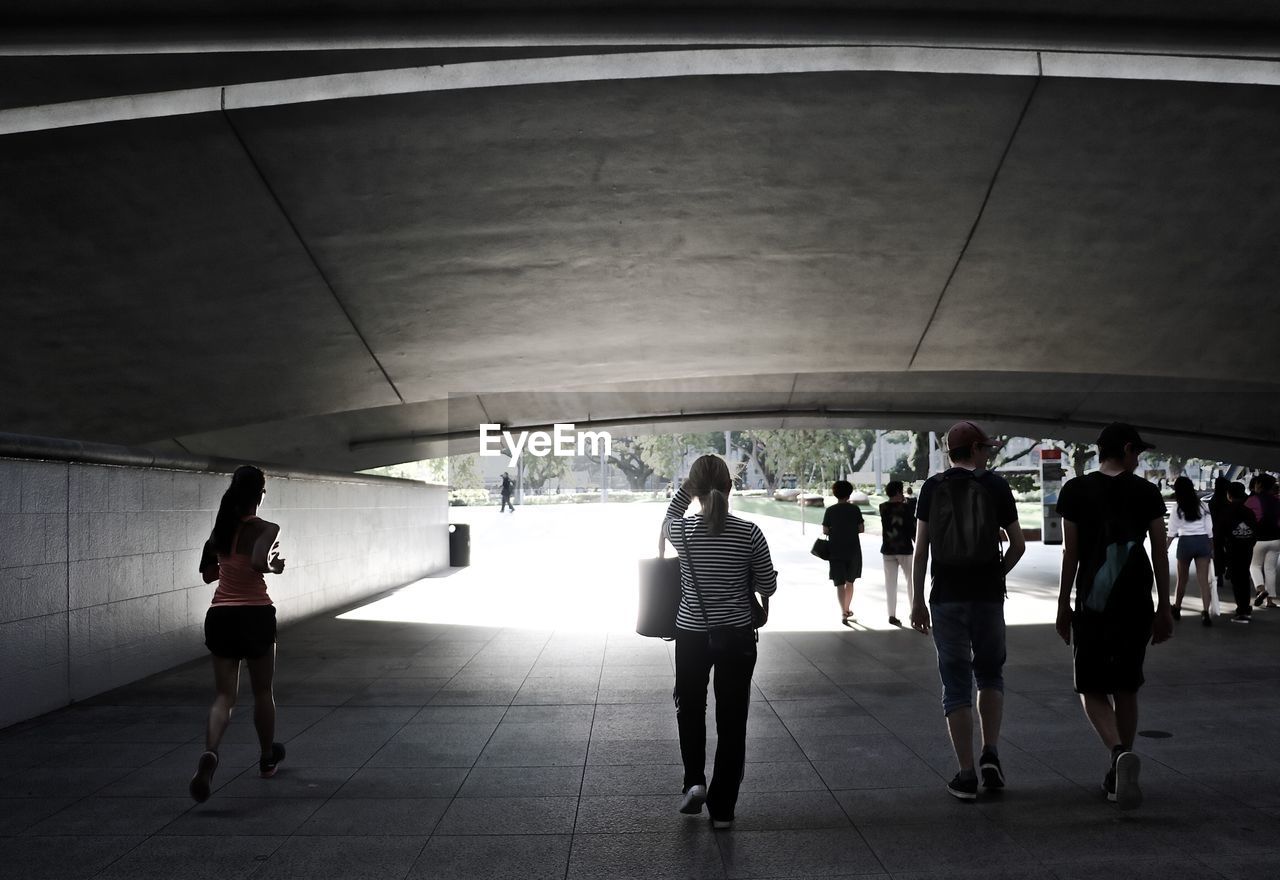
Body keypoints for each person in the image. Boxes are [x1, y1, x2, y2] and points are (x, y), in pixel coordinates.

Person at [1055, 423, 1174, 811]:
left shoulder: (1074, 490)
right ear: (1125, 449)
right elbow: (1159, 553)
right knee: (1126, 686)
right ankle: (1119, 768)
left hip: (1093, 602)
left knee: (1091, 688)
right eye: (1137, 452)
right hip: (1136, 602)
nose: (1138, 460)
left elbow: (1070, 554)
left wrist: (1062, 604)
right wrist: (1163, 607)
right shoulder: (1147, 492)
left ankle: (1118, 754)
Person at [910, 421, 1025, 801]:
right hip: (988, 598)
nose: (989, 453)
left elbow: (921, 547)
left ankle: (965, 774)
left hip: (946, 597)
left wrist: (916, 601)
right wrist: (996, 574)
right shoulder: (995, 485)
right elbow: (1019, 545)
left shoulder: (932, 487)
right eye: (986, 448)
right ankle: (990, 751)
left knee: (955, 683)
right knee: (990, 674)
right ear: (974, 449)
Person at [661, 455, 777, 829]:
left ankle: (694, 780)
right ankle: (723, 808)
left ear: (693, 490)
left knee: (690, 707)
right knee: (732, 718)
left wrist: (686, 491)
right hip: (738, 637)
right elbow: (767, 586)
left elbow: (667, 519)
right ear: (730, 486)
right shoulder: (750, 532)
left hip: (692, 634)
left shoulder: (682, 531)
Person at [189, 466, 288, 803]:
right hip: (255, 614)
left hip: (220, 616)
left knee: (224, 697)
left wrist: (228, 565)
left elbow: (207, 575)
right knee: (262, 691)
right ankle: (266, 758)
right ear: (259, 495)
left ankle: (211, 754)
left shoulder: (218, 531)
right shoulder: (266, 527)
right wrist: (273, 566)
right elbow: (260, 562)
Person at [1167, 476, 1215, 626]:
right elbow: (1209, 530)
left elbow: (1172, 531)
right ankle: (1206, 612)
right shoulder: (1203, 506)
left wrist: (1165, 548)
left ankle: (1177, 608)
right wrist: (1211, 547)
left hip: (1186, 542)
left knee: (1182, 579)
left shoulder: (1178, 507)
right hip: (1202, 541)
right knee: (1203, 580)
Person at [822, 480, 865, 624]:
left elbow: (825, 530)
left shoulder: (830, 510)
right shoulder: (855, 509)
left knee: (839, 582)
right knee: (850, 582)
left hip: (835, 550)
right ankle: (847, 608)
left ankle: (843, 612)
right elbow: (861, 529)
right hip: (853, 550)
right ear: (849, 493)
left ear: (835, 493)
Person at [878, 480, 915, 627]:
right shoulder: (907, 508)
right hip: (904, 548)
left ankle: (891, 614)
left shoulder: (883, 507)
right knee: (911, 582)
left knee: (890, 583)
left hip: (888, 549)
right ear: (899, 492)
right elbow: (912, 527)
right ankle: (914, 611)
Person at [1224, 481, 1258, 622]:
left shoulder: (1227, 511)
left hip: (1232, 549)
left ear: (1229, 495)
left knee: (1237, 580)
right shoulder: (1248, 511)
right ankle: (1245, 607)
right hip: (1247, 549)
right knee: (1244, 577)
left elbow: (1220, 532)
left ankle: (1242, 610)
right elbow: (1255, 531)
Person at [1246, 475, 1280, 607]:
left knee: (1254, 566)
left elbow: (1245, 516)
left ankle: (1261, 590)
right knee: (1270, 569)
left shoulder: (1252, 500)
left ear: (1259, 484)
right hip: (1276, 539)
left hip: (1258, 539)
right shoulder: (1277, 501)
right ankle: (1270, 601)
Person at [1208, 476, 1231, 593]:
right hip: (1229, 530)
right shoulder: (1228, 500)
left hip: (1216, 530)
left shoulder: (1213, 500)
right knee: (1231, 550)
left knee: (1218, 553)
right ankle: (1230, 568)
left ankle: (1220, 576)